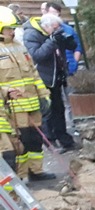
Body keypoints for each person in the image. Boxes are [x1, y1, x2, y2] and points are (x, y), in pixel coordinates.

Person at [0, 7, 53, 181]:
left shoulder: (19, 47)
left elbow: (33, 74)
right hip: (14, 108)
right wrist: (6, 93)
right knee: (20, 144)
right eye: (10, 29)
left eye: (14, 28)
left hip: (32, 103)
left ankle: (36, 171)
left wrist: (44, 95)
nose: (13, 32)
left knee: (35, 139)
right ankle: (21, 177)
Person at [22, 11, 75, 150]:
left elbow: (71, 47)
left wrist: (68, 41)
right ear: (46, 26)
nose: (57, 30)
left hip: (57, 76)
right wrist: (51, 41)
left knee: (59, 109)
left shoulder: (53, 32)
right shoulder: (31, 34)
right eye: (55, 28)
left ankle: (64, 139)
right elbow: (36, 55)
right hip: (43, 78)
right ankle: (50, 142)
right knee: (47, 112)